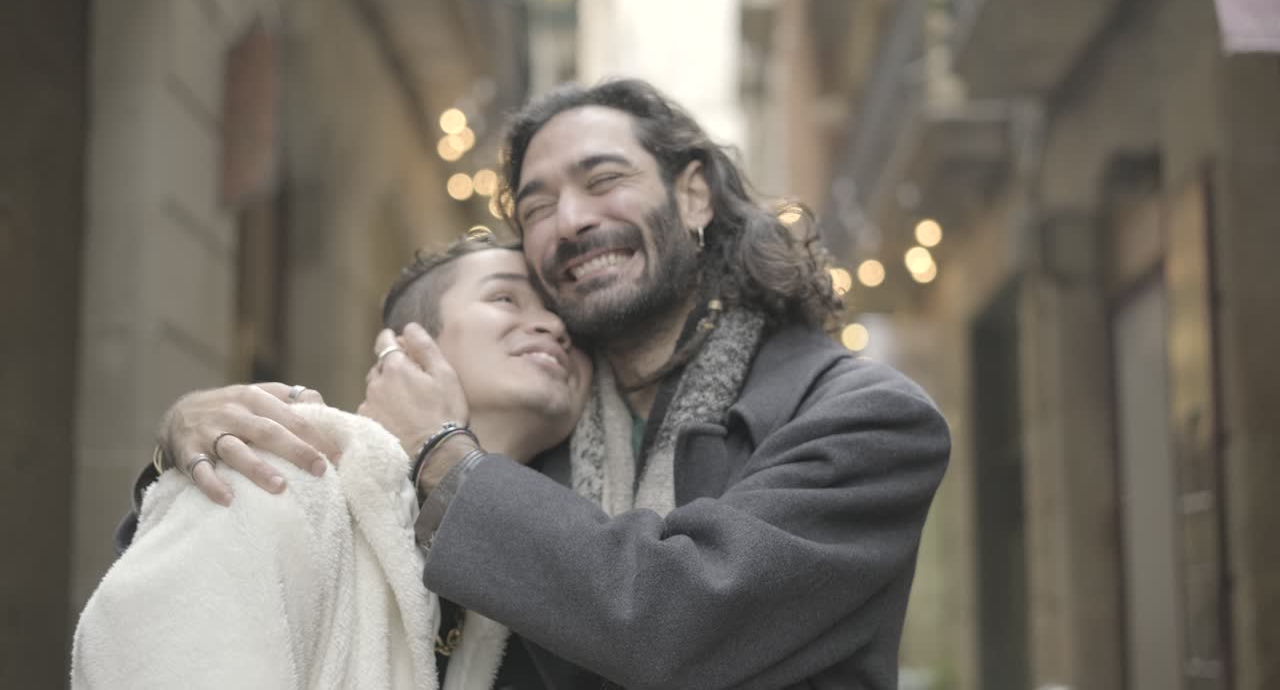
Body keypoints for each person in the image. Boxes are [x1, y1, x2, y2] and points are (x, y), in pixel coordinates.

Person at [146, 78, 950, 690]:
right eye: (538, 206)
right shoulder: (531, 424)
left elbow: (675, 620)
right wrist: (195, 441)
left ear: (695, 193)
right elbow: (304, 547)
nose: (570, 221)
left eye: (603, 180)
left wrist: (445, 454)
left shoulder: (868, 421)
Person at [80, 235, 591, 689]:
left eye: (563, 315)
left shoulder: (518, 598)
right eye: (505, 298)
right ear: (410, 345)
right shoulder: (276, 473)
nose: (553, 326)